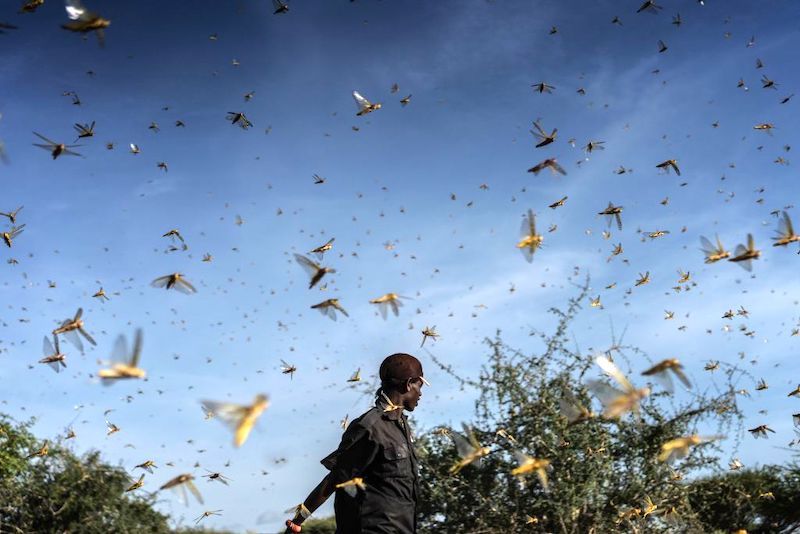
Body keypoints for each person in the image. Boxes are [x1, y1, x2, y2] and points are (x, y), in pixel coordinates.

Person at [285, 353, 429, 534]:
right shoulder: (369, 427)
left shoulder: (402, 428)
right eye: (419, 385)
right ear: (408, 384)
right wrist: (299, 520)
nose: (421, 393)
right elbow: (335, 478)